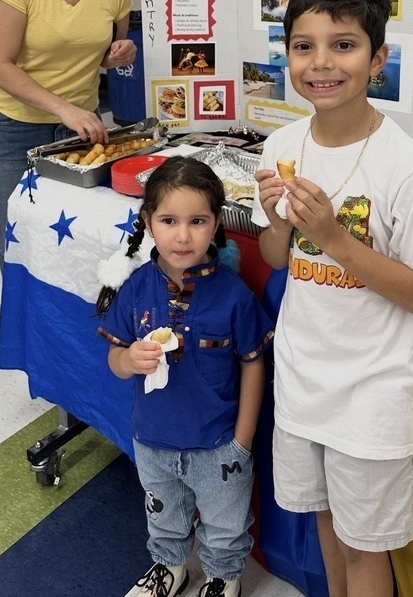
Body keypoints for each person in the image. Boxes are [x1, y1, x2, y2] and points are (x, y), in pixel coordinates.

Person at [252, 0, 413, 597]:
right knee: (327, 528)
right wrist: (281, 223)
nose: (321, 63)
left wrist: (336, 239)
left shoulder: (404, 165)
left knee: (367, 550)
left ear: (377, 59)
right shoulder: (283, 143)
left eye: (343, 45)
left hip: (374, 393)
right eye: (304, 46)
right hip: (306, 378)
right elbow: (276, 258)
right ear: (286, 55)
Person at [0, 0, 137, 365]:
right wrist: (64, 108)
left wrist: (122, 54)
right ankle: (19, 330)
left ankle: (64, 329)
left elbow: (117, 44)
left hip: (75, 128)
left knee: (70, 231)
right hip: (9, 124)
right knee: (17, 233)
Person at [96, 156, 275, 597]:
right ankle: (170, 568)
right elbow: (114, 359)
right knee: (163, 516)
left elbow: (254, 363)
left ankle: (222, 576)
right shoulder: (137, 287)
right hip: (153, 440)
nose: (182, 235)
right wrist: (128, 359)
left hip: (219, 447)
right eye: (168, 220)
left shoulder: (234, 295)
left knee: (225, 524)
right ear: (148, 223)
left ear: (217, 224)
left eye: (197, 221)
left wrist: (242, 441)